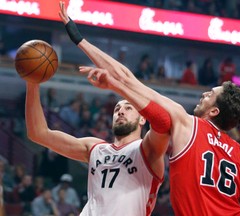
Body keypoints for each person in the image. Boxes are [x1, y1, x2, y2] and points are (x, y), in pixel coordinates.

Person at [58, 2, 240, 215]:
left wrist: (79, 39)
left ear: (215, 111)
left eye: (210, 95)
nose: (203, 94)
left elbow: (127, 78)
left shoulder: (186, 123)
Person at [26, 5, 171, 216]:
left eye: (128, 108)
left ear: (142, 120)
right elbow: (38, 133)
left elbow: (163, 122)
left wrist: (116, 85)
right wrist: (33, 83)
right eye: (117, 108)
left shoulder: (147, 150)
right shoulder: (95, 148)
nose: (120, 111)